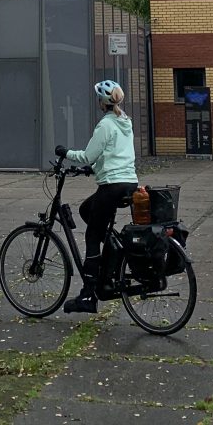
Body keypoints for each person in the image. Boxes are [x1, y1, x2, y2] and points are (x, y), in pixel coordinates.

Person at [55, 79, 138, 313]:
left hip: (111, 186)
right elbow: (114, 154)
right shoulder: (126, 122)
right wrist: (95, 168)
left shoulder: (106, 125)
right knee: (85, 210)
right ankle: (112, 248)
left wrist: (65, 152)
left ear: (103, 102)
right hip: (129, 182)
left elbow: (88, 155)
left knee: (92, 235)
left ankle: (88, 295)